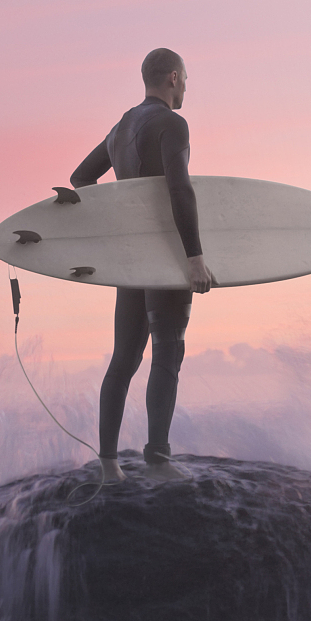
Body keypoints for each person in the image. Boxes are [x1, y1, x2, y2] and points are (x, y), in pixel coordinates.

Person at [70, 48, 217, 483]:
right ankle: (158, 459)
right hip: (164, 254)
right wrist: (194, 259)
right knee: (168, 351)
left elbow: (81, 178)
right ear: (173, 77)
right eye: (186, 79)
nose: (187, 87)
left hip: (129, 258)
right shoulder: (172, 124)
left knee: (124, 359)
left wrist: (119, 223)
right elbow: (180, 191)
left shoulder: (121, 128)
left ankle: (109, 463)